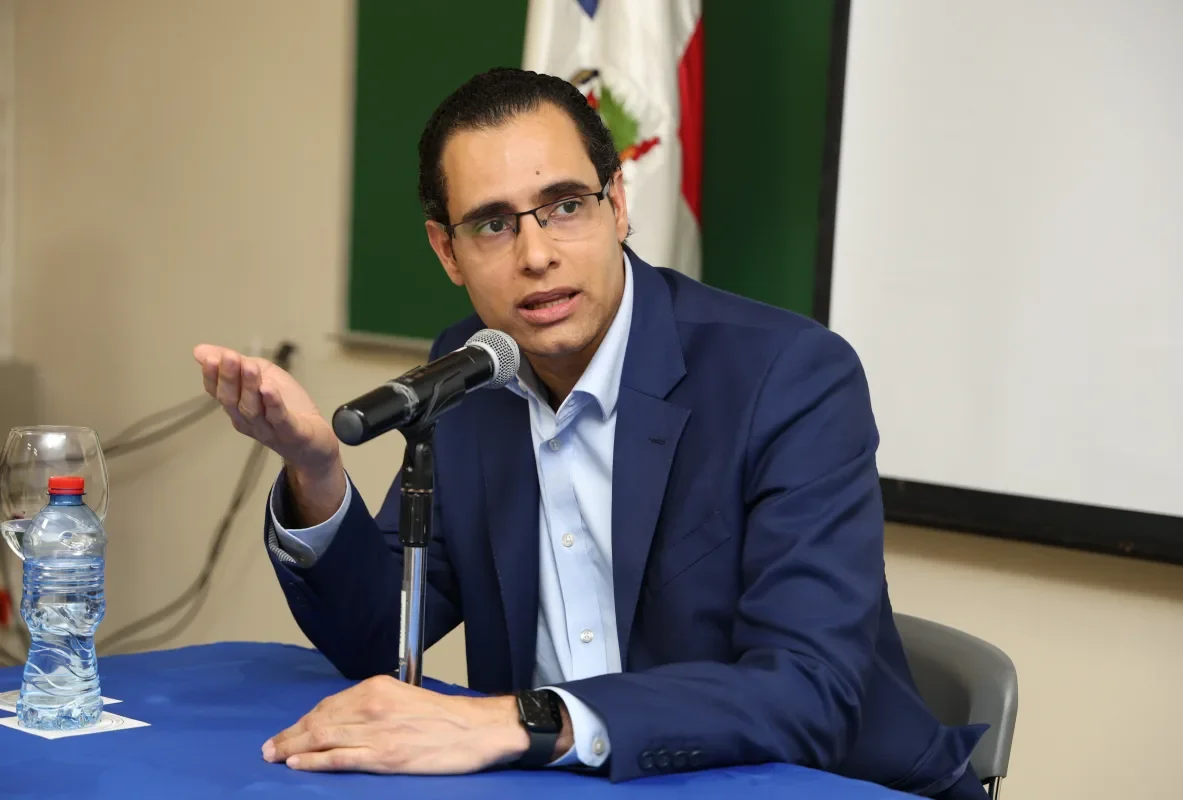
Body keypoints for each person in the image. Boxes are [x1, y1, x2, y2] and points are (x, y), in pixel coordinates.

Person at [193, 68, 987, 799]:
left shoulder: (789, 377)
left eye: (567, 205)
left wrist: (525, 721)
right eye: (493, 225)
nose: (537, 255)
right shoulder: (469, 373)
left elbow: (808, 688)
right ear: (447, 250)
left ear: (619, 204)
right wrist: (316, 474)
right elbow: (379, 637)